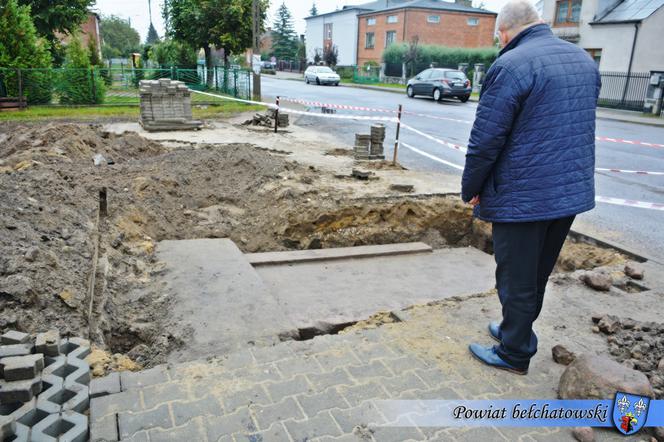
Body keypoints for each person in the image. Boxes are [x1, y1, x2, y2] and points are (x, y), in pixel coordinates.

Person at [461, 0, 601, 374]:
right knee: (536, 273)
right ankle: (515, 329)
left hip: (523, 195)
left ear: (504, 32)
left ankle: (514, 353)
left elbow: (485, 140)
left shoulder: (510, 65)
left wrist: (472, 187)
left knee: (515, 277)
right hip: (568, 193)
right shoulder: (584, 60)